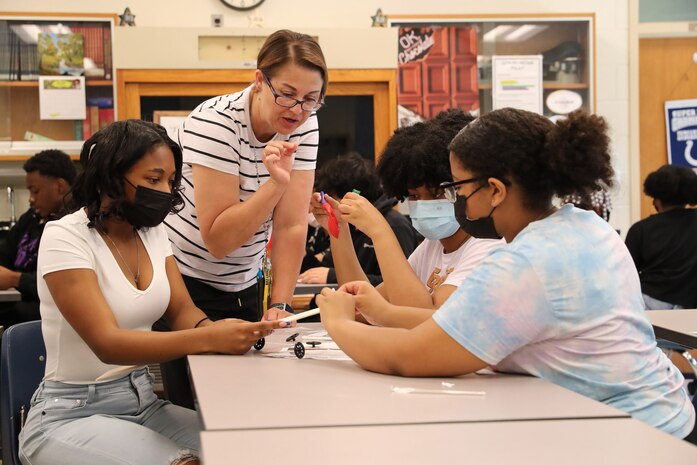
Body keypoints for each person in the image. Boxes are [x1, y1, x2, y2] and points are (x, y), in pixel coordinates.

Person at [316, 108, 695, 440]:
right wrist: (380, 313)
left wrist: (338, 324)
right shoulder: (584, 226)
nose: (456, 198)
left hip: (633, 435)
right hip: (661, 416)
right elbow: (456, 322)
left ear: (495, 190)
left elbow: (409, 357)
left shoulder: (526, 262)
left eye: (458, 186)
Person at [18, 120, 284, 465]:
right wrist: (209, 339)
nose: (165, 191)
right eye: (153, 179)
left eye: (171, 181)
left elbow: (181, 312)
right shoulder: (64, 236)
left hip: (143, 401)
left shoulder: (154, 234)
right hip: (69, 414)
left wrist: (221, 329)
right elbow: (108, 343)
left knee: (250, 453)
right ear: (111, 176)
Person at [161, 29, 326, 407]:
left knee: (250, 402)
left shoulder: (305, 123)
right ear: (258, 80)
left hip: (244, 282)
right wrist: (275, 185)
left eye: (310, 100)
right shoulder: (216, 123)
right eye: (285, 93)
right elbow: (219, 240)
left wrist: (281, 305)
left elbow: (291, 224)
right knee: (195, 411)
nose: (296, 110)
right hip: (187, 282)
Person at [309, 110, 503, 327]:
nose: (425, 204)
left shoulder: (487, 247)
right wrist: (339, 229)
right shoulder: (431, 248)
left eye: (437, 193)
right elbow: (364, 308)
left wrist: (380, 232)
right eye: (414, 196)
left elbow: (426, 325)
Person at [298, 152, 418, 286]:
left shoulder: (394, 225)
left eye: (332, 197)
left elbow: (397, 285)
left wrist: (332, 276)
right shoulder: (348, 223)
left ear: (352, 195)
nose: (327, 204)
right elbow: (323, 267)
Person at [0, 149, 76, 328]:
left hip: (48, 316)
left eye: (35, 191)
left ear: (60, 187)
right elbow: (5, 252)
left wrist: (15, 279)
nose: (31, 199)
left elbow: (63, 283)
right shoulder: (32, 217)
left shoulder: (75, 225)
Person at [625, 164, 697, 310]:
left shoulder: (640, 230)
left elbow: (626, 275)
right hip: (690, 305)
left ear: (656, 199)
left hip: (650, 304)